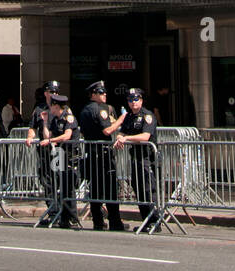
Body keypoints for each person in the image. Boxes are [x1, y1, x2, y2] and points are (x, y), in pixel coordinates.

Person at [78, 80, 126, 231]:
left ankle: (98, 221)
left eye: (105, 92)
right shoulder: (100, 110)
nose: (104, 94)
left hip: (91, 153)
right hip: (103, 155)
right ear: (93, 94)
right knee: (110, 189)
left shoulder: (84, 110)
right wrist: (121, 119)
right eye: (100, 92)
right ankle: (115, 221)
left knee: (95, 189)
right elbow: (107, 130)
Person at [115, 87, 160, 232]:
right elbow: (121, 132)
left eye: (136, 99)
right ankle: (145, 220)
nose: (133, 102)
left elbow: (145, 136)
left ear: (141, 100)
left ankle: (154, 221)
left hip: (148, 158)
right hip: (135, 157)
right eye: (130, 100)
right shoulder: (129, 117)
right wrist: (120, 137)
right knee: (138, 188)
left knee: (148, 190)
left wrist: (126, 138)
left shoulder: (147, 116)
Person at [41, 92, 81, 228]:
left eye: (51, 106)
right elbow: (48, 135)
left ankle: (72, 217)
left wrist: (50, 141)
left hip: (70, 157)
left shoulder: (69, 118)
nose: (50, 109)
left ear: (56, 106)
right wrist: (45, 122)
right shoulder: (55, 119)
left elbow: (67, 136)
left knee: (69, 188)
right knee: (61, 187)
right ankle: (64, 217)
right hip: (60, 156)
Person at [27, 81, 61, 214]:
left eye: (57, 92)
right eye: (52, 92)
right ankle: (53, 209)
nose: (55, 94)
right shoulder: (39, 109)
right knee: (45, 180)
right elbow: (33, 127)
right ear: (46, 93)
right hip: (44, 151)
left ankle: (62, 211)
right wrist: (30, 137)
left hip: (59, 150)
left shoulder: (61, 108)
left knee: (60, 179)